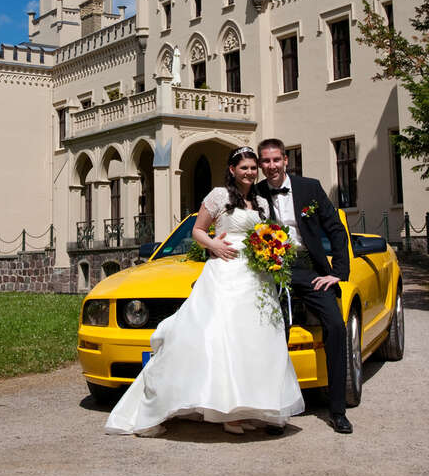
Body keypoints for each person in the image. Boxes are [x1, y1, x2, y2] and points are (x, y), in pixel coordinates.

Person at [104, 146, 305, 436]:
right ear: (232, 169)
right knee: (218, 339)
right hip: (225, 273)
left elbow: (267, 233)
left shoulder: (260, 200)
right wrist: (213, 245)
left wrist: (272, 251)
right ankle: (207, 410)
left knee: (251, 343)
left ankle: (241, 410)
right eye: (244, 168)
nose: (249, 172)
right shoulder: (218, 196)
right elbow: (198, 229)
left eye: (252, 168)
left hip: (256, 278)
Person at [255, 138, 354, 435]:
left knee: (336, 326)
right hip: (273, 271)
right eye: (266, 162)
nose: (271, 166)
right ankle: (275, 412)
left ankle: (337, 410)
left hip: (310, 269)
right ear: (260, 165)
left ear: (286, 160)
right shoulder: (254, 194)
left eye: (276, 160)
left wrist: (338, 272)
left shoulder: (310, 188)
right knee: (273, 334)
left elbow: (335, 229)